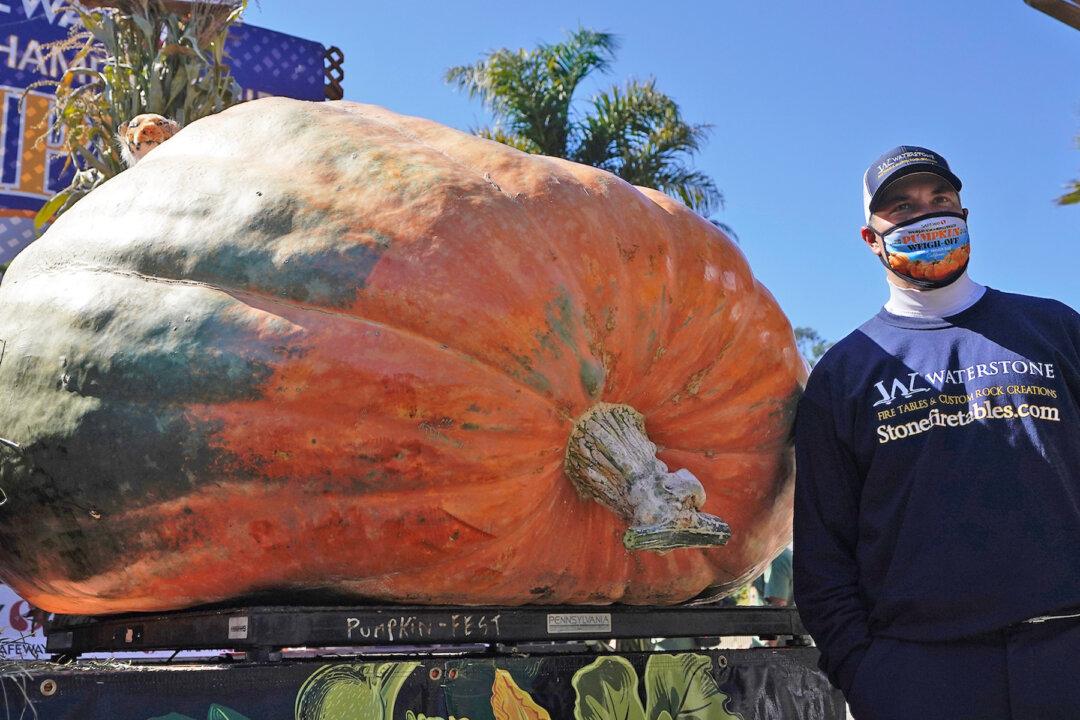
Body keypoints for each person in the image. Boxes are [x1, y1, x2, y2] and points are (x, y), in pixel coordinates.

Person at [792, 145, 1080, 719]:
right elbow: (823, 554)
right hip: (921, 676)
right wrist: (867, 674)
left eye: (940, 199)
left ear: (965, 215)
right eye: (901, 206)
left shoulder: (1056, 329)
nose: (927, 215)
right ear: (871, 238)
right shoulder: (845, 373)